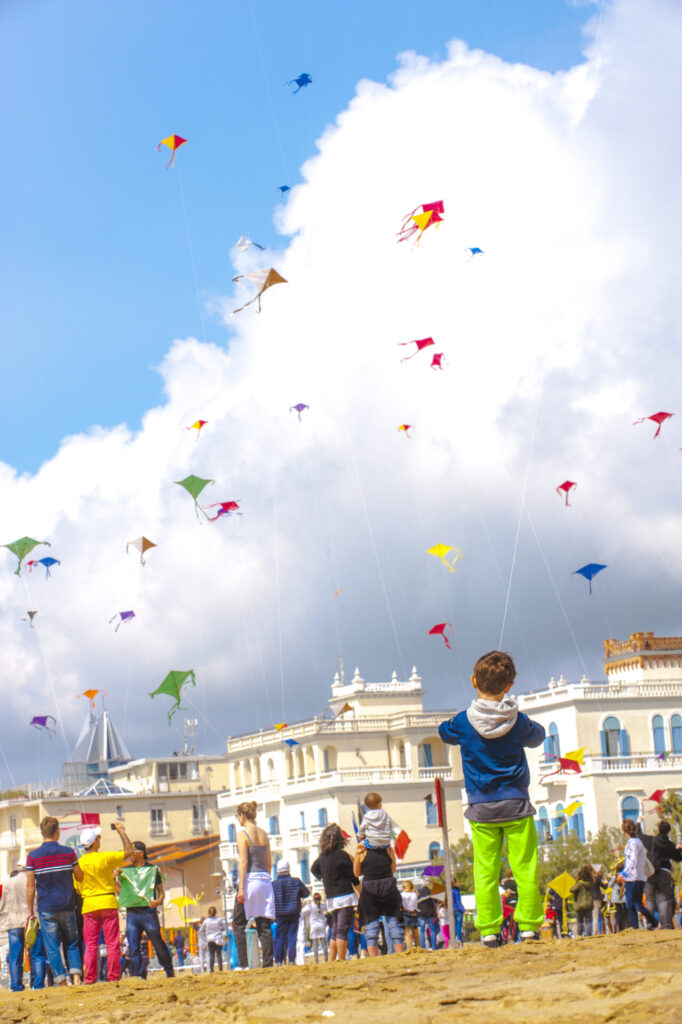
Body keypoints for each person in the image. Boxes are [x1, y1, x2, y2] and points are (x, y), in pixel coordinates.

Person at [439, 649, 545, 948]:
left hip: (480, 806)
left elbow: (443, 731)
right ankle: (528, 927)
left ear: (473, 681)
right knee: (524, 865)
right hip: (516, 803)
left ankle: (488, 930)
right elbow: (537, 736)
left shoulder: (462, 722)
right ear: (510, 685)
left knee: (485, 870)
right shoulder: (518, 720)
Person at [25, 815, 84, 986]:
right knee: (72, 943)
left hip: (46, 908)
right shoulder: (69, 853)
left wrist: (30, 911)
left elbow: (30, 886)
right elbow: (80, 877)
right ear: (58, 832)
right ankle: (76, 978)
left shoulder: (33, 857)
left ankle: (61, 981)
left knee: (52, 947)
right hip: (67, 905)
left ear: (42, 833)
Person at [78, 821, 134, 983]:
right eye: (99, 838)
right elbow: (128, 852)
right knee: (112, 944)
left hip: (89, 904)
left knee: (91, 945)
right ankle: (113, 977)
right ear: (95, 842)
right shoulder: (105, 858)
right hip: (108, 902)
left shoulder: (80, 863)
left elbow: (77, 888)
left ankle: (89, 978)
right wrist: (121, 832)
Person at [114, 840, 174, 979]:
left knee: (158, 943)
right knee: (133, 947)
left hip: (148, 912)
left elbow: (161, 891)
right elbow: (121, 892)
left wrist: (158, 901)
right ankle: (137, 976)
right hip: (132, 913)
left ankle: (169, 969)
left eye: (132, 852)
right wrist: (113, 880)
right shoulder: (127, 871)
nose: (130, 855)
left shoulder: (152, 870)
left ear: (141, 853)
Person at [232, 801, 274, 969]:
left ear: (242, 815)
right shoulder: (264, 834)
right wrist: (266, 878)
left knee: (238, 923)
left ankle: (243, 964)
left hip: (250, 879)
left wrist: (241, 888)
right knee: (264, 925)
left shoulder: (242, 833)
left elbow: (243, 861)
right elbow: (269, 862)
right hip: (264, 879)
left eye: (237, 816)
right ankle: (268, 963)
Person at [311, 823, 359, 962]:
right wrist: (361, 894)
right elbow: (353, 877)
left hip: (332, 898)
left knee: (335, 929)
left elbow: (313, 869)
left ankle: (332, 960)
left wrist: (323, 878)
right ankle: (341, 959)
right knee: (342, 930)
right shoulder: (342, 855)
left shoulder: (322, 857)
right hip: (345, 896)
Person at [353, 843, 404, 957]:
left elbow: (356, 873)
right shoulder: (387, 848)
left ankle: (374, 958)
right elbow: (393, 869)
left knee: (371, 925)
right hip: (388, 886)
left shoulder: (362, 850)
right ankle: (400, 954)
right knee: (393, 923)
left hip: (370, 888)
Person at [636, 819, 682, 929]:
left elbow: (640, 834)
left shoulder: (651, 840)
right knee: (664, 899)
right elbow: (678, 857)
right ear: (669, 831)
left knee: (650, 899)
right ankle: (666, 925)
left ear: (658, 829)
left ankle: (651, 924)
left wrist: (639, 823)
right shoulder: (669, 845)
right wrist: (679, 849)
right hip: (664, 873)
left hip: (651, 872)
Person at [617, 818, 658, 929]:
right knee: (636, 904)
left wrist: (623, 873)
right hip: (640, 876)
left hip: (633, 877)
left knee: (632, 904)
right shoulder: (638, 842)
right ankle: (651, 922)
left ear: (625, 832)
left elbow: (632, 860)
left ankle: (640, 925)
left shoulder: (632, 843)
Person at [272, 859, 309, 966]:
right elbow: (306, 893)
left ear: (278, 871)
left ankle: (279, 960)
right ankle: (292, 959)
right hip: (293, 912)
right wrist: (297, 895)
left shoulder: (274, 884)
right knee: (292, 936)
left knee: (280, 937)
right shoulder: (296, 881)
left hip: (280, 913)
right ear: (288, 869)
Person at [0, 866, 31, 992]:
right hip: (29, 920)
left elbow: (4, 903)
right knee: (35, 954)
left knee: (14, 956)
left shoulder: (7, 883)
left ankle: (16, 986)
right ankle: (37, 983)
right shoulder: (30, 880)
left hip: (13, 922)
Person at [357, 793, 396, 869]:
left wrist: (361, 838)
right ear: (379, 804)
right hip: (385, 844)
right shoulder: (385, 814)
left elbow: (361, 830)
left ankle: (359, 868)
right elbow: (389, 827)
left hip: (371, 844)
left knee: (359, 847)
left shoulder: (366, 816)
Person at [302, 892, 329, 963]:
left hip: (314, 926)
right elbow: (328, 908)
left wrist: (308, 912)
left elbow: (303, 912)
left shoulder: (310, 906)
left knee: (315, 944)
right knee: (324, 944)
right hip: (321, 925)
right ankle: (326, 959)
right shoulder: (322, 906)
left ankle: (316, 961)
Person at [199, 906, 227, 972]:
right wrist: (225, 938)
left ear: (208, 913)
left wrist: (206, 932)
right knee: (219, 954)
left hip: (210, 939)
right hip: (218, 938)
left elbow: (201, 930)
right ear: (215, 912)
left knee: (211, 955)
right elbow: (224, 928)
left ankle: (211, 969)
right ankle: (220, 969)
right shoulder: (219, 920)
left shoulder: (206, 921)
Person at [570, 866, 594, 937]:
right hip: (588, 905)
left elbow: (571, 890)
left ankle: (579, 935)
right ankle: (589, 935)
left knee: (580, 922)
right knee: (588, 921)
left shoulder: (579, 885)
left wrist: (576, 882)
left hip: (579, 905)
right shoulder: (590, 884)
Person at [416, 881, 438, 949]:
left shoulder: (418, 892)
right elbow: (436, 902)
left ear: (422, 885)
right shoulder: (431, 892)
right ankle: (434, 946)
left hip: (421, 913)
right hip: (431, 913)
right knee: (432, 930)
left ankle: (423, 947)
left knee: (422, 931)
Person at [401, 881, 420, 948]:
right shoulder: (414, 894)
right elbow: (415, 905)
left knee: (407, 933)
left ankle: (410, 948)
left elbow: (401, 905)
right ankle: (418, 947)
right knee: (415, 933)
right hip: (413, 913)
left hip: (405, 913)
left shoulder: (402, 895)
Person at [591, 869, 607, 935]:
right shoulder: (597, 879)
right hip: (597, 898)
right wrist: (607, 882)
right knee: (596, 916)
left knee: (593, 916)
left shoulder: (588, 880)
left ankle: (594, 931)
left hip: (590, 899)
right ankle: (595, 931)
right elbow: (605, 887)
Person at [450, 878, 465, 948]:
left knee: (455, 926)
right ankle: (459, 940)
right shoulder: (456, 891)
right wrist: (463, 910)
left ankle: (455, 940)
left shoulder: (449, 891)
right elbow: (458, 902)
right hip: (458, 910)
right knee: (459, 926)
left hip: (452, 910)